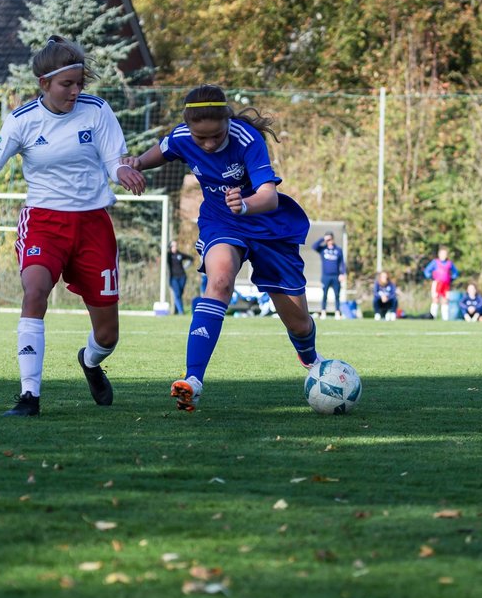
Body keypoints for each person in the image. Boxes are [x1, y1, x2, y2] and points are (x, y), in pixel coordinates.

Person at [0, 36, 144, 416]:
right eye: (66, 84)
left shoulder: (97, 110)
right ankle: (29, 396)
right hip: (43, 220)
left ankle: (89, 362)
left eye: (79, 84)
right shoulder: (21, 121)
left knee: (107, 335)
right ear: (44, 84)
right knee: (34, 290)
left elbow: (113, 161)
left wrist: (123, 170)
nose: (75, 91)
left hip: (93, 224)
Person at [120, 84, 325, 412]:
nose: (209, 144)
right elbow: (159, 151)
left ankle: (313, 362)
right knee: (219, 280)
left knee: (299, 323)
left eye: (216, 135)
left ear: (228, 120)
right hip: (222, 223)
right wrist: (135, 165)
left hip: (268, 227)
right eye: (201, 139)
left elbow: (269, 196)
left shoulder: (247, 139)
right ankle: (193, 380)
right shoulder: (182, 136)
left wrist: (244, 204)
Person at [312, 231, 347, 319]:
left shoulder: (338, 250)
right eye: (328, 239)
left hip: (336, 276)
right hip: (326, 276)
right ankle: (323, 312)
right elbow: (314, 246)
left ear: (333, 239)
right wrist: (323, 239)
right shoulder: (323, 249)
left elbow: (342, 263)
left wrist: (342, 273)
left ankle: (337, 312)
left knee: (337, 295)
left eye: (330, 239)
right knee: (324, 294)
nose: (329, 241)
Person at [424, 247, 458, 320]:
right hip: (437, 283)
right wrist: (430, 277)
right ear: (439, 255)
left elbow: (455, 273)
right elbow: (427, 270)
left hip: (446, 284)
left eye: (444, 254)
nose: (443, 256)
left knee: (445, 300)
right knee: (435, 299)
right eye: (442, 254)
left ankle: (445, 318)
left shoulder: (449, 263)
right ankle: (432, 316)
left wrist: (451, 278)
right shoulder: (435, 262)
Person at [166, 239, 190, 315]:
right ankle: (181, 312)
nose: (175, 247)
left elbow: (191, 258)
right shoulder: (168, 255)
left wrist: (185, 266)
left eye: (176, 245)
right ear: (170, 247)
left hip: (182, 277)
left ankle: (176, 310)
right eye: (173, 246)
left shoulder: (179, 254)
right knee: (177, 294)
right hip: (173, 278)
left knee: (179, 294)